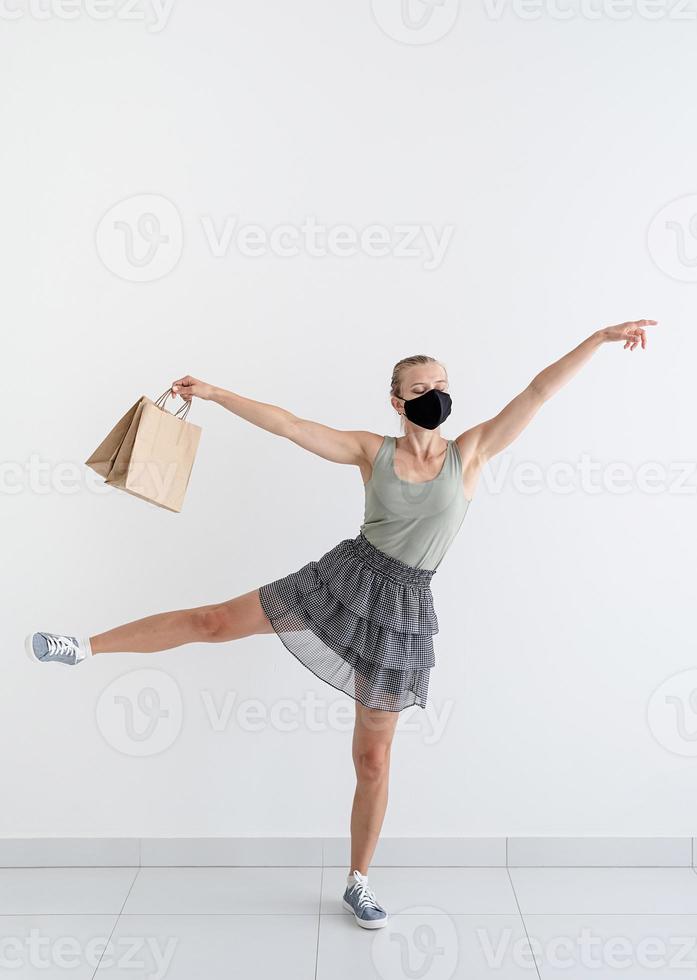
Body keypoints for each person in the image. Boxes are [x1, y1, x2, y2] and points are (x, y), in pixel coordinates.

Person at [25, 319, 655, 928]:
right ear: (396, 401)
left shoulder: (472, 452)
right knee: (214, 621)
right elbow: (292, 426)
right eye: (421, 390)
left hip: (404, 615)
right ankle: (82, 646)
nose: (436, 396)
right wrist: (215, 394)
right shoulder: (370, 450)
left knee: (372, 758)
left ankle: (358, 881)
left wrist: (598, 340)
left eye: (442, 385)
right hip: (344, 579)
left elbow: (538, 391)